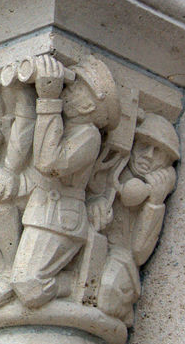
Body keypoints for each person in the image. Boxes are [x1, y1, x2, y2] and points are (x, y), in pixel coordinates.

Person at [8, 54, 119, 308]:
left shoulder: (89, 136)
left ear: (90, 106)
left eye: (78, 88)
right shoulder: (67, 126)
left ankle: (76, 282)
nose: (69, 91)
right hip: (40, 209)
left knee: (29, 286)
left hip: (60, 219)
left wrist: (48, 99)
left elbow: (49, 163)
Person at [98, 113, 180, 322]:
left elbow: (138, 253)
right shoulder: (110, 172)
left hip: (119, 267)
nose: (149, 155)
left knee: (108, 290)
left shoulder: (150, 195)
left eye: (159, 152)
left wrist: (154, 202)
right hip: (92, 247)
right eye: (144, 145)